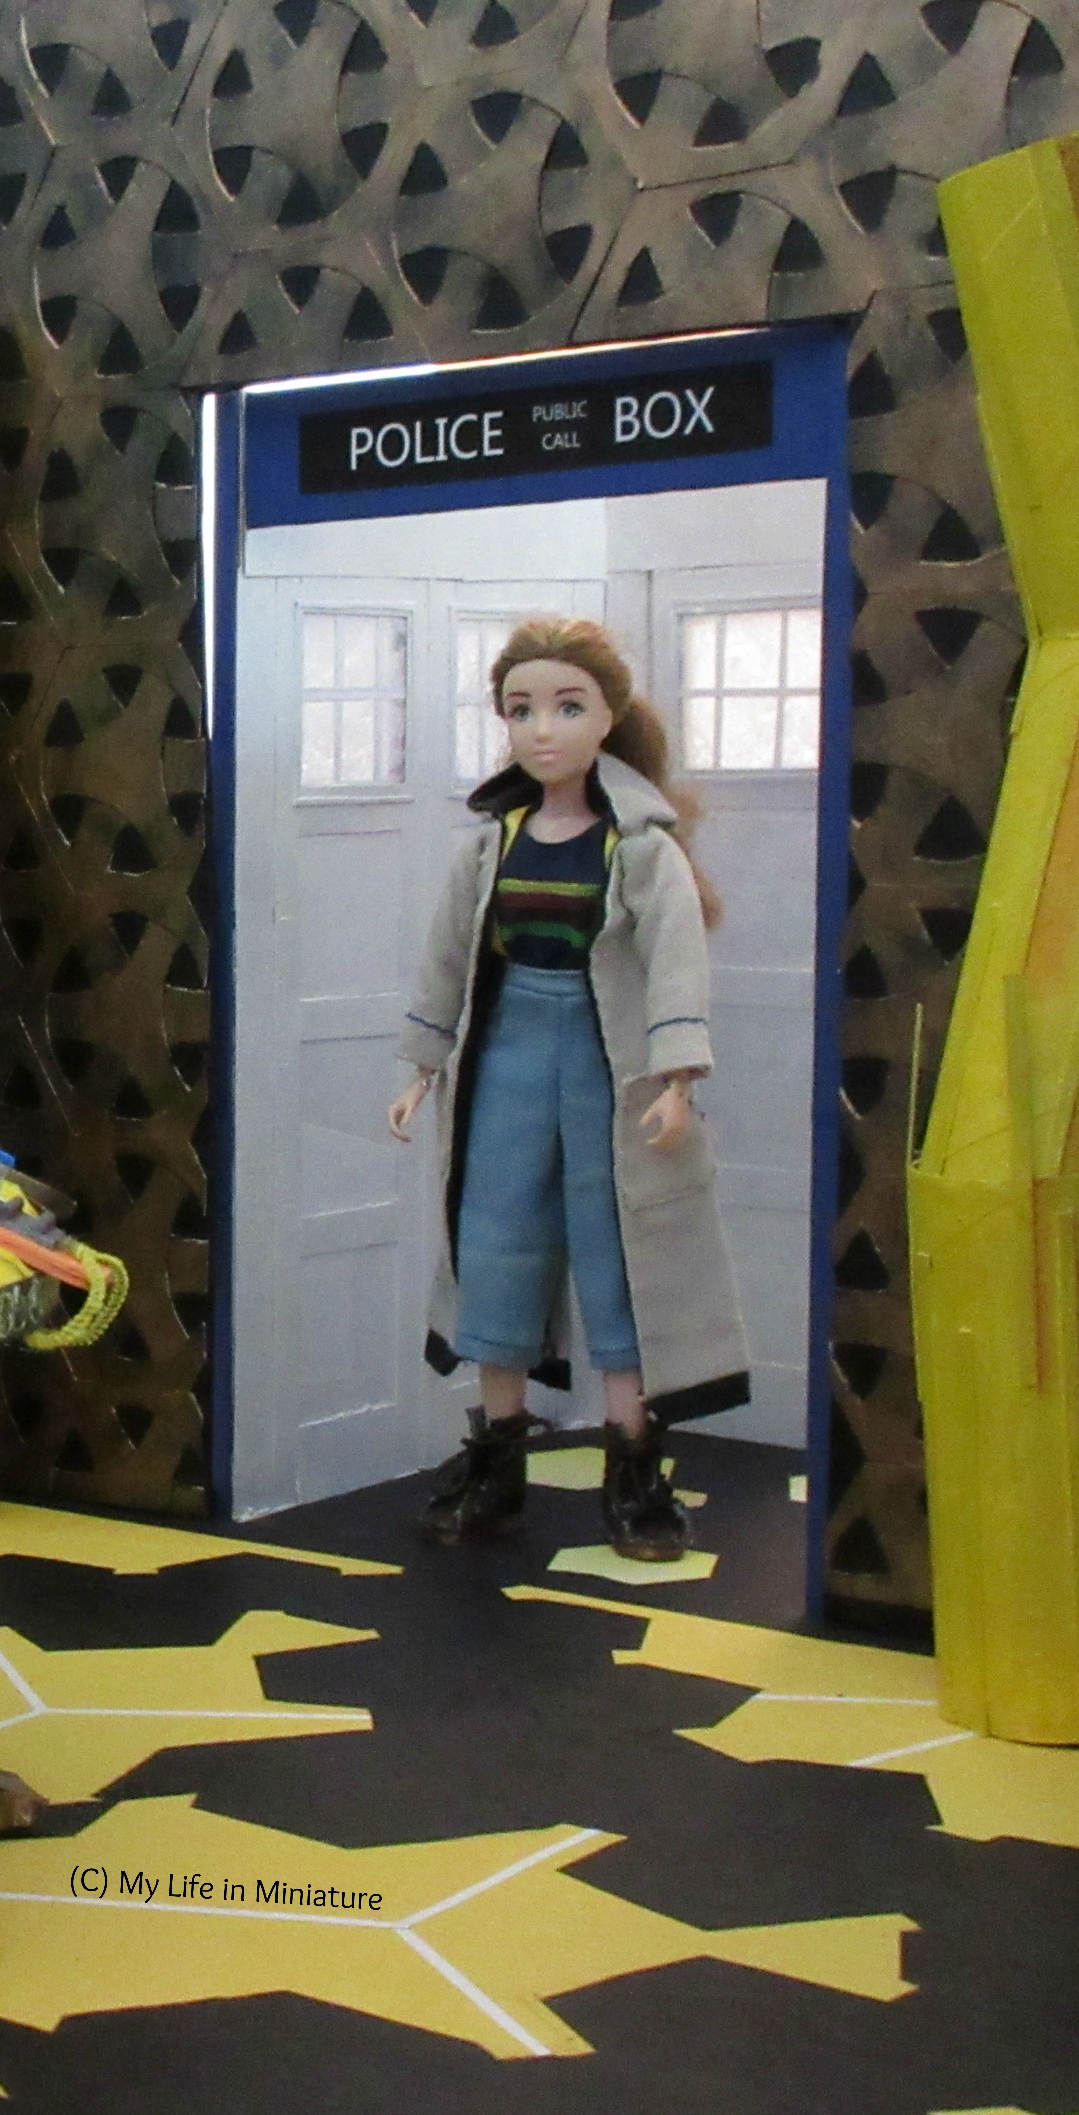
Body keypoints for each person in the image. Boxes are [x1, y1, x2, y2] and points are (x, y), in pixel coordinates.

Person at [385, 616, 749, 1561]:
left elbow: (674, 965)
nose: (541, 729)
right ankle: (494, 1462)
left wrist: (675, 1076)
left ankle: (634, 1473)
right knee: (493, 1241)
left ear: (607, 719)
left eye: (566, 707)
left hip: (605, 1068)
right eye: (521, 710)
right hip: (505, 1055)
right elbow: (444, 957)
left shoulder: (639, 847)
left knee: (619, 1252)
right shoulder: (490, 844)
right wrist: (421, 1063)